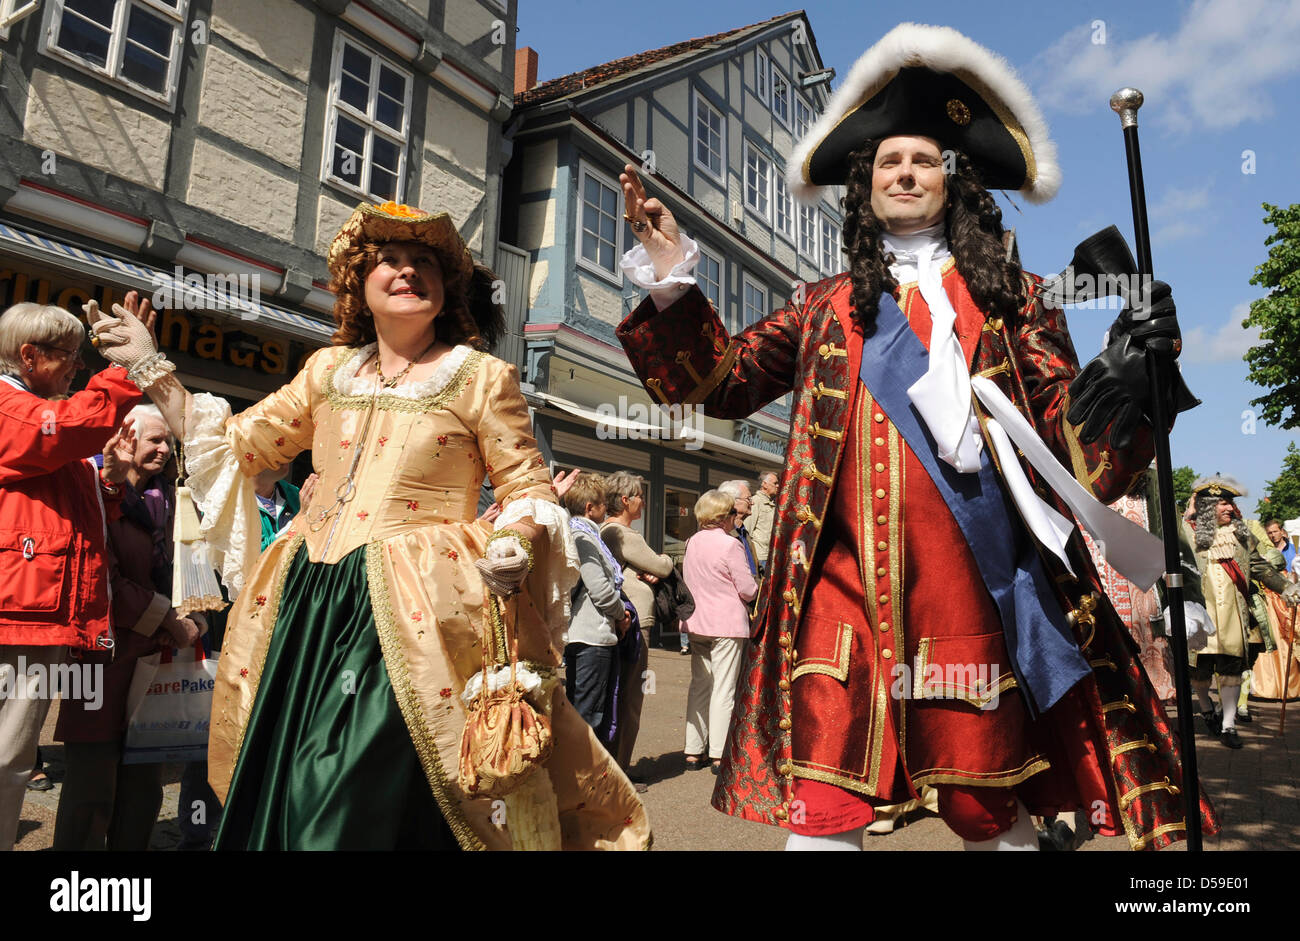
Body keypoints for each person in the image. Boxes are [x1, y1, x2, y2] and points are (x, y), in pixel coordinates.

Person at [615, 24, 1215, 850]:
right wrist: (672, 275)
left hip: (975, 593)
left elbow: (1077, 459)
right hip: (840, 597)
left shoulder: (1016, 299)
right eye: (889, 162)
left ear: (952, 179)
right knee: (820, 817)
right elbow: (716, 383)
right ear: (866, 188)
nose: (905, 172)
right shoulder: (823, 306)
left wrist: (1130, 377)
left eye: (923, 159)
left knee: (989, 816)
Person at [89, 201, 647, 850]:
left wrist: (513, 542)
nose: (408, 270)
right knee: (292, 781)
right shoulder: (328, 371)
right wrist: (152, 367)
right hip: (308, 604)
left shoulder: (482, 378)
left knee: (347, 791)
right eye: (390, 260)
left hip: (415, 611)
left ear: (446, 292)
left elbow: (525, 486)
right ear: (362, 281)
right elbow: (239, 447)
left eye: (425, 264)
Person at [0, 301, 141, 850]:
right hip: (19, 612)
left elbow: (75, 521)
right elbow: (69, 427)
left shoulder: (30, 407)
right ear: (29, 356)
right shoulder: (15, 408)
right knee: (8, 757)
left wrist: (109, 484)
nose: (78, 367)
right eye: (69, 356)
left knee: (12, 756)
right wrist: (128, 367)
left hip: (30, 606)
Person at [52, 404, 205, 850]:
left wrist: (192, 614)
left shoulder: (172, 498)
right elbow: (99, 576)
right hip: (99, 658)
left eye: (168, 442)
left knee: (142, 787)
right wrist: (169, 619)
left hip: (153, 656)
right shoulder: (94, 490)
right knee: (91, 785)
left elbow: (188, 568)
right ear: (124, 440)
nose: (164, 449)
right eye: (154, 440)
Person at [1185, 477, 1298, 747]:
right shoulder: (1188, 533)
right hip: (1202, 614)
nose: (1229, 508)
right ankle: (1206, 707)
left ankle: (1228, 725)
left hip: (1234, 614)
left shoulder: (1242, 534)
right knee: (1199, 672)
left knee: (1231, 670)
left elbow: (1259, 567)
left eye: (1230, 503)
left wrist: (1286, 587)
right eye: (1223, 503)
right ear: (1207, 507)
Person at [600, 470, 674, 776]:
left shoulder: (603, 531)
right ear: (626, 500)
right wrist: (666, 559)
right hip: (634, 622)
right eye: (640, 495)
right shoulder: (625, 535)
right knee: (631, 697)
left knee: (615, 693)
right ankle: (621, 769)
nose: (643, 501)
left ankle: (611, 765)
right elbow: (661, 566)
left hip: (615, 620)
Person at [680, 490, 759, 770]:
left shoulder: (691, 542)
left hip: (696, 622)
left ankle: (692, 750)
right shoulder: (730, 545)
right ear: (725, 517)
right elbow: (748, 590)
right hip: (726, 623)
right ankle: (718, 752)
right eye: (732, 514)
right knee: (724, 688)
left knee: (700, 685)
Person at [562, 472, 629, 746]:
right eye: (603, 503)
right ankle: (581, 781)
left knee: (583, 711)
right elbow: (599, 589)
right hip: (591, 636)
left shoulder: (583, 534)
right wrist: (620, 612)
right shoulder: (583, 537)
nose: (607, 508)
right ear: (590, 508)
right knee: (588, 715)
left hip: (586, 634)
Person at [253, 464, 301, 550]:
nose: (286, 457)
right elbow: (252, 555)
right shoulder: (232, 503)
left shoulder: (295, 493)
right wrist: (300, 519)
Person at [718, 479, 758, 578]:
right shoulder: (723, 533)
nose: (752, 503)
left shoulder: (743, 531)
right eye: (748, 498)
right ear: (733, 501)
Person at [749, 472, 779, 574]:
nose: (778, 486)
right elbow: (747, 531)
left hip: (770, 557)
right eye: (775, 483)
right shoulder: (755, 502)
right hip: (759, 558)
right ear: (764, 484)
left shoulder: (773, 504)